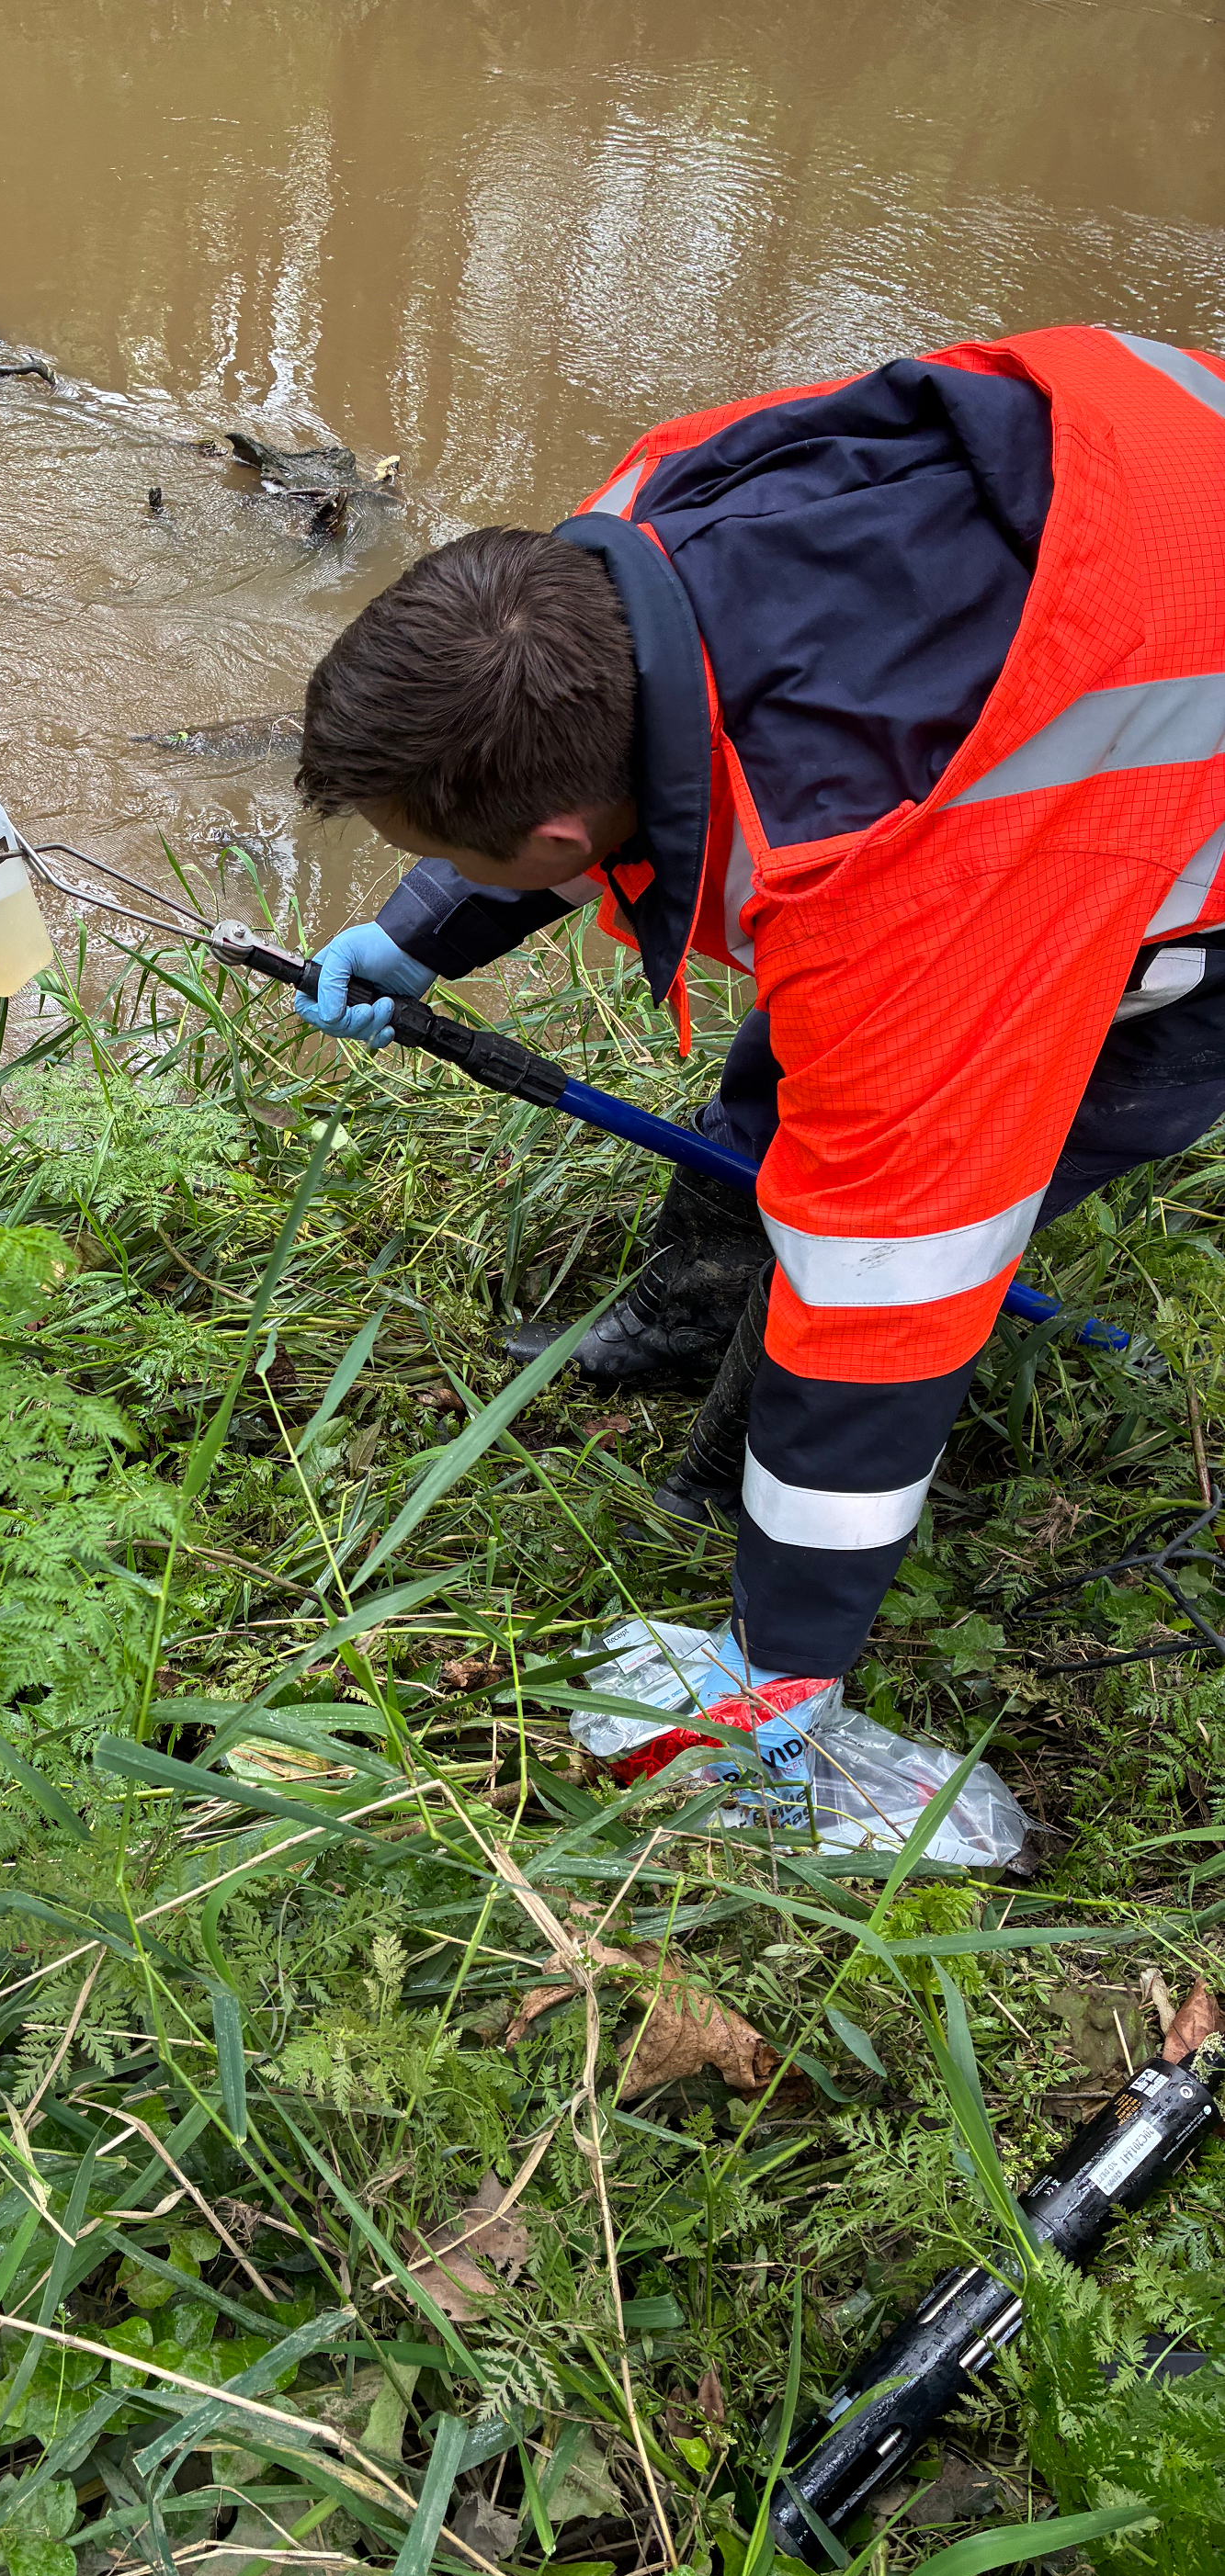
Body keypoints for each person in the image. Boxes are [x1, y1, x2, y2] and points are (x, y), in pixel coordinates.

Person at [290, 326, 1225, 1711]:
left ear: (551, 836)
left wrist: (779, 1672)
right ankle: (688, 1326)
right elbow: (610, 782)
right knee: (788, 1085)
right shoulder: (615, 543)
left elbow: (886, 1298)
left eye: (454, 857)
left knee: (881, 1228)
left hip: (1152, 821)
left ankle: (732, 1487)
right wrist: (430, 929)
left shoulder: (898, 891)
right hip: (1137, 505)